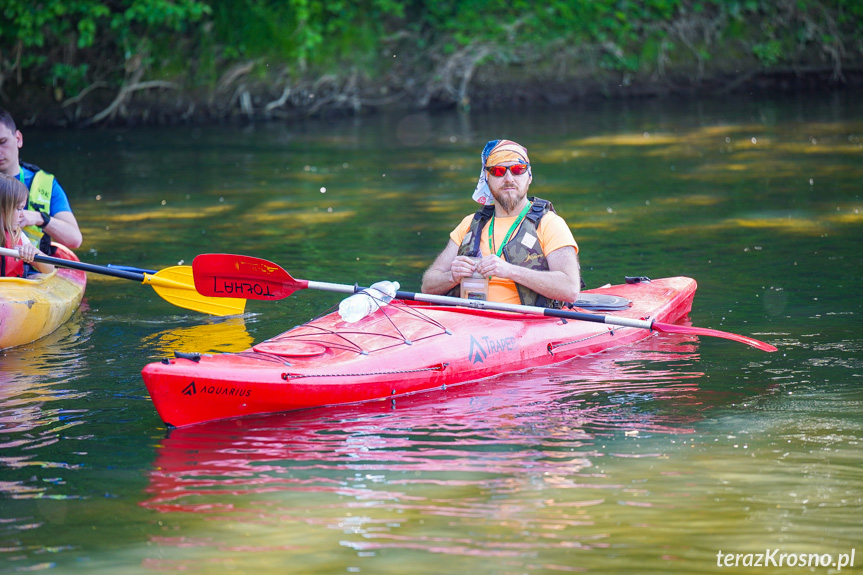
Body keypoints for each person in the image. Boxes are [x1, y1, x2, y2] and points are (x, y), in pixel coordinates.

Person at [422, 139, 581, 307]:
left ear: (529, 176)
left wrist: (510, 271)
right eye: (498, 171)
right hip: (468, 322)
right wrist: (452, 277)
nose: (508, 178)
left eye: (518, 170)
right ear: (487, 178)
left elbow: (570, 289)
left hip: (527, 324)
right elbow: (428, 286)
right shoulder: (470, 224)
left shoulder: (550, 224)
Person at [0, 107, 82, 251]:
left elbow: (74, 239)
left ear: (18, 139)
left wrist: (39, 218)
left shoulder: (46, 184)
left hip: (36, 269)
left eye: (2, 142)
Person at [0, 173, 54, 276]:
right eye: (19, 209)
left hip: (12, 289)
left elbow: (49, 269)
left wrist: (34, 252)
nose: (22, 215)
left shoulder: (17, 235)